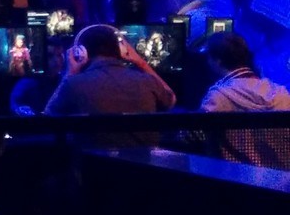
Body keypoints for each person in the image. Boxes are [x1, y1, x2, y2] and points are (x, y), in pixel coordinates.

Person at [44, 23, 176, 146]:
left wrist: (70, 73)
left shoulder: (73, 85)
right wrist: (140, 61)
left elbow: (48, 118)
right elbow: (171, 100)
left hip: (94, 163)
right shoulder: (148, 81)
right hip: (144, 163)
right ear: (121, 51)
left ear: (81, 53)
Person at [197, 32, 290, 166]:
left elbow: (196, 133)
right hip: (281, 177)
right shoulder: (282, 93)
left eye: (208, 57)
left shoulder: (219, 96)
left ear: (217, 61)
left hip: (235, 176)